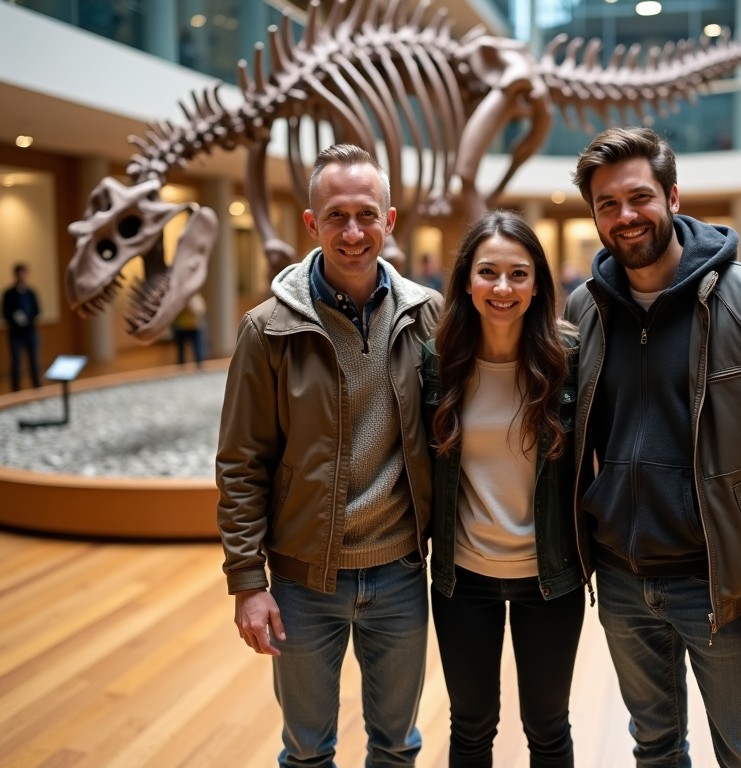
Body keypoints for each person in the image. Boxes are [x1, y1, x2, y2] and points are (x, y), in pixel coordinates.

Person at [563, 127, 741, 767]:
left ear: (673, 196)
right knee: (654, 749)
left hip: (723, 581)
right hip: (624, 580)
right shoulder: (584, 308)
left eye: (639, 198)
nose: (625, 217)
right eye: (607, 204)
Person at [215, 144, 442, 767]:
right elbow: (240, 462)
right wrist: (246, 582)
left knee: (398, 745)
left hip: (399, 573)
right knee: (308, 750)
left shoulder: (427, 316)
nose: (353, 231)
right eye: (336, 216)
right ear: (310, 224)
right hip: (301, 580)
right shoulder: (267, 330)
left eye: (366, 214)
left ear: (389, 221)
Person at [422, 209, 585, 767]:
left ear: (537, 283)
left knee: (547, 728)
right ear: (467, 280)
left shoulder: (570, 358)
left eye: (518, 274)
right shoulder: (437, 361)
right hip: (463, 577)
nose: (502, 287)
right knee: (470, 727)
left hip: (551, 577)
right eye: (488, 272)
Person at [3, 263, 42, 391]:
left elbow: (38, 310)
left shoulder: (31, 292)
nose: (22, 275)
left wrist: (28, 318)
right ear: (15, 274)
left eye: (24, 273)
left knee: (34, 361)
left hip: (30, 331)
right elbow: (4, 312)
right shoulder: (8, 293)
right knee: (16, 362)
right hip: (15, 333)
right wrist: (15, 318)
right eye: (20, 273)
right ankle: (16, 389)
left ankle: (37, 387)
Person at [171, 291, 207, 366]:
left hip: (192, 326)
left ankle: (199, 366)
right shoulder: (178, 296)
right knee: (182, 350)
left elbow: (200, 309)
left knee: (197, 349)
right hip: (181, 326)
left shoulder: (194, 296)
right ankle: (182, 367)